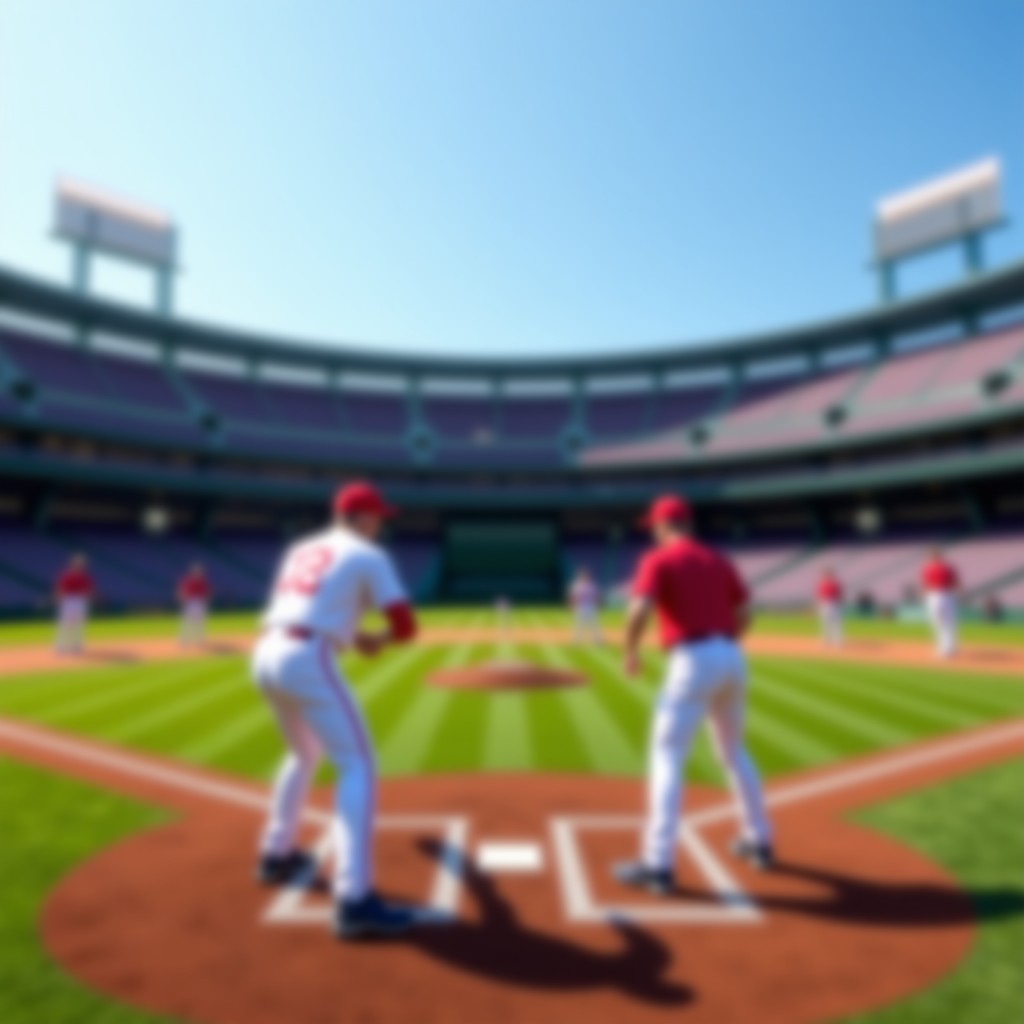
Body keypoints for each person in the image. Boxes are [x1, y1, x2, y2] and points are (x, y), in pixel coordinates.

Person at [252, 481, 419, 939]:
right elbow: (405, 625)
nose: (380, 523)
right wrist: (379, 639)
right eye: (377, 515)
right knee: (358, 765)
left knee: (304, 753)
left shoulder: (302, 547)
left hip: (266, 651)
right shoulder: (369, 554)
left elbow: (307, 607)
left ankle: (275, 854)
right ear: (361, 517)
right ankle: (354, 899)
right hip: (306, 657)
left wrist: (355, 635)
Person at [614, 495, 773, 895]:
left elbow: (640, 609)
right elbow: (745, 614)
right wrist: (725, 647)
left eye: (654, 527)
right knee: (734, 752)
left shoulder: (658, 558)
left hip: (691, 657)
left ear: (663, 526)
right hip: (732, 655)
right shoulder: (718, 559)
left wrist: (629, 650)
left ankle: (658, 864)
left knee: (667, 755)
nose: (653, 533)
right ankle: (759, 840)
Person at [920, 548, 960, 658]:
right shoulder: (948, 567)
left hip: (934, 596)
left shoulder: (928, 568)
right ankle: (951, 648)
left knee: (938, 623)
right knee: (949, 622)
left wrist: (924, 596)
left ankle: (943, 650)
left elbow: (924, 585)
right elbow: (956, 582)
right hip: (948, 595)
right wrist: (956, 594)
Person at [53, 553, 95, 654]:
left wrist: (89, 598)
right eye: (77, 563)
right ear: (72, 564)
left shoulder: (85, 576)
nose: (79, 565)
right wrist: (59, 597)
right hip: (68, 600)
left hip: (80, 600)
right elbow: (60, 588)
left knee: (78, 624)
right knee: (64, 624)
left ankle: (76, 645)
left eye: (81, 564)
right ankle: (61, 646)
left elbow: (88, 589)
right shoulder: (66, 575)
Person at [177, 563, 212, 648]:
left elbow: (207, 592)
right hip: (190, 602)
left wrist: (206, 601)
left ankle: (199, 640)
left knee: (200, 622)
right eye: (196, 572)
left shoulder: (203, 581)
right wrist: (183, 599)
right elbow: (183, 591)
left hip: (200, 602)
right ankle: (184, 640)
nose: (198, 573)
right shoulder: (188, 581)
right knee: (187, 622)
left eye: (199, 572)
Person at [568, 567, 604, 645]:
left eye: (586, 575)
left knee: (594, 624)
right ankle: (576, 640)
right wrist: (572, 605)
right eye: (583, 575)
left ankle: (597, 639)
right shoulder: (577, 585)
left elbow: (596, 596)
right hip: (580, 606)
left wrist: (598, 604)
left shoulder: (592, 585)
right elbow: (573, 596)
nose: (585, 577)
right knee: (579, 624)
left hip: (590, 606)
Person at [816, 568, 844, 648]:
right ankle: (831, 641)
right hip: (829, 603)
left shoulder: (830, 583)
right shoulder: (826, 583)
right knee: (829, 623)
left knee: (833, 623)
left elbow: (838, 594)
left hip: (831, 603)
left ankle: (835, 641)